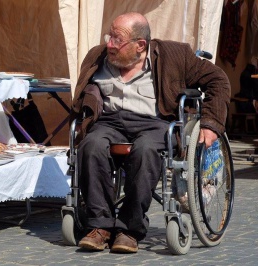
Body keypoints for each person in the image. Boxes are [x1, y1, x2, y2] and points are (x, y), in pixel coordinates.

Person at [71, 12, 230, 253]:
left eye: (117, 40)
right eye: (109, 37)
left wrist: (210, 123)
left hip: (154, 123)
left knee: (145, 150)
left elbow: (218, 80)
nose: (109, 45)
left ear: (140, 45)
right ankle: (99, 226)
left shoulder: (174, 55)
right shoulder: (97, 57)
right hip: (109, 122)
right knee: (90, 146)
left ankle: (129, 229)